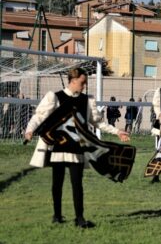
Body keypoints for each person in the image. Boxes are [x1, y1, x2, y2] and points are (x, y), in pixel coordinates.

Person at [24, 68, 130, 228]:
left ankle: (79, 218)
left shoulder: (87, 101)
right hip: (58, 148)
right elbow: (39, 116)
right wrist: (30, 129)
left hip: (77, 148)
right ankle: (57, 215)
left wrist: (117, 131)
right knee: (57, 183)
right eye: (82, 83)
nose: (84, 86)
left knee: (77, 183)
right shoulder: (56, 97)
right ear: (73, 81)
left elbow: (97, 122)